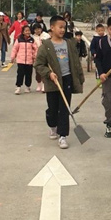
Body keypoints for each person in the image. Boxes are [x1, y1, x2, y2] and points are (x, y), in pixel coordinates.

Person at [34, 15, 85, 149]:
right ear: (52, 27)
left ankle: (63, 136)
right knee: (53, 108)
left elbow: (76, 62)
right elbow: (38, 64)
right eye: (60, 27)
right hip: (52, 81)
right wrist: (49, 73)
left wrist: (80, 77)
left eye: (64, 27)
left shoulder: (69, 44)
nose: (63, 30)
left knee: (64, 108)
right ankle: (52, 125)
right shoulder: (46, 46)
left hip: (66, 79)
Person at [11, 24, 37, 94]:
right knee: (20, 74)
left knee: (28, 74)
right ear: (23, 32)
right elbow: (15, 49)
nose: (28, 32)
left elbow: (36, 49)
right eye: (26, 31)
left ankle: (28, 86)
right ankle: (18, 87)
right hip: (21, 60)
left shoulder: (32, 40)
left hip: (29, 60)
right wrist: (13, 57)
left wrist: (34, 56)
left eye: (29, 31)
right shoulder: (19, 40)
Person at [31, 22, 50, 92]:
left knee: (44, 71)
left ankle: (44, 85)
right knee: (38, 72)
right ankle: (39, 84)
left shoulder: (46, 35)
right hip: (36, 57)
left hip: (45, 56)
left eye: (39, 29)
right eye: (35, 29)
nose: (37, 30)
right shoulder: (32, 37)